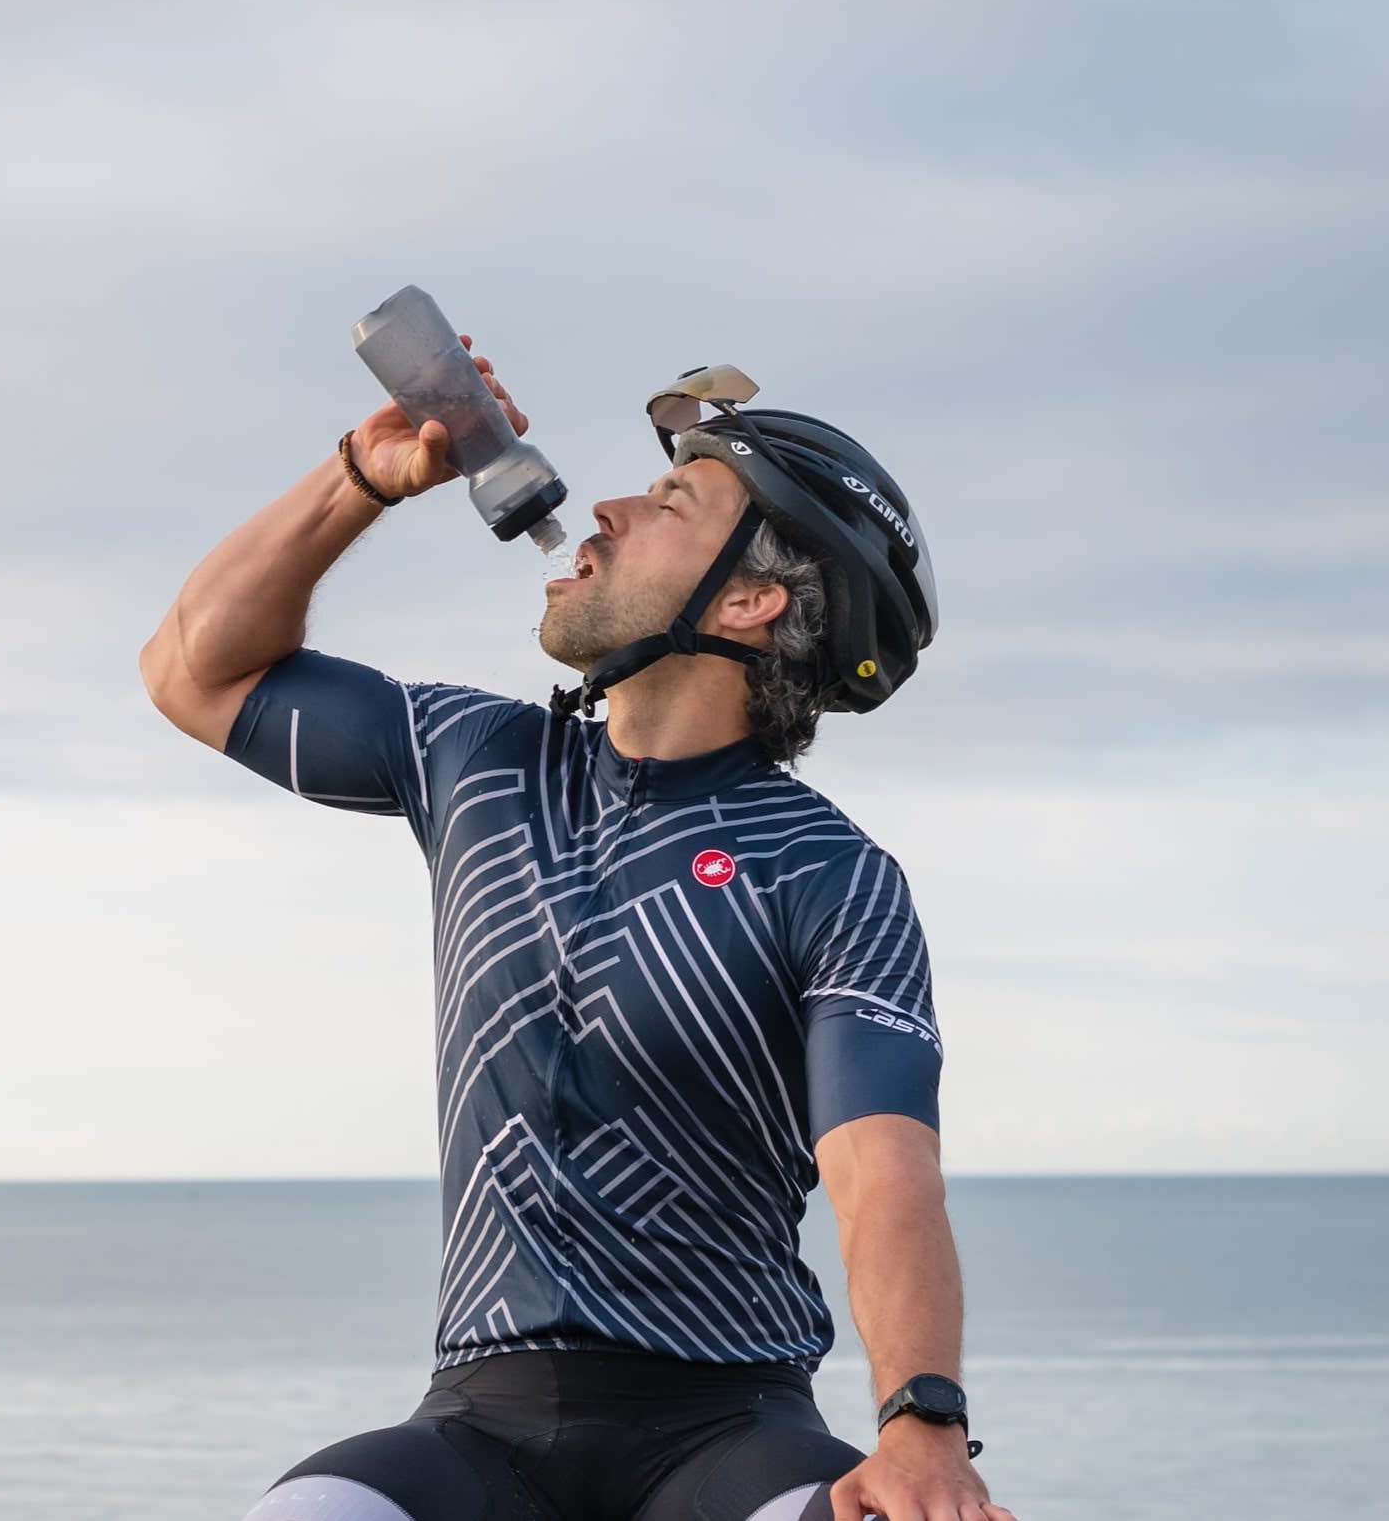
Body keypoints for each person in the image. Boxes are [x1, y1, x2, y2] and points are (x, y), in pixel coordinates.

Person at [139, 338, 1016, 1521]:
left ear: (752, 600)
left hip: (727, 1425)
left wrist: (920, 1423)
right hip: (475, 1425)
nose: (601, 506)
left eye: (667, 503)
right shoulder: (482, 762)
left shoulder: (828, 872)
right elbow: (192, 668)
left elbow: (881, 1168)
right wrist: (358, 476)